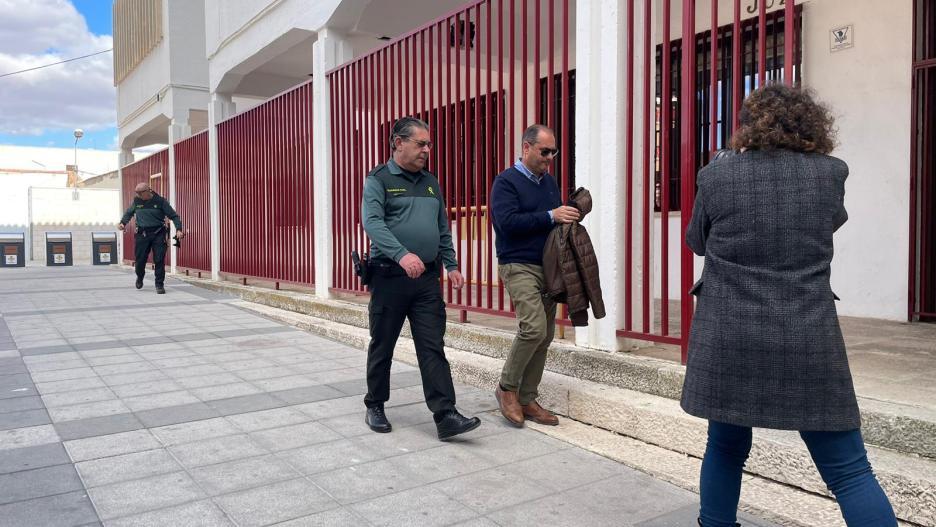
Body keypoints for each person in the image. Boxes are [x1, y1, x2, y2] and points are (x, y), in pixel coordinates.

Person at [681, 84, 896, 527]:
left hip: (729, 334)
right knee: (850, 470)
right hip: (806, 332)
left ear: (746, 126)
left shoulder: (716, 175)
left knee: (724, 449)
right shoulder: (831, 173)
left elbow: (696, 242)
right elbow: (830, 224)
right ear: (811, 124)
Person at [360, 117, 481, 441]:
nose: (428, 149)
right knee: (383, 344)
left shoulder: (431, 182)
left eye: (429, 144)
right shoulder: (379, 180)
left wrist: (452, 265)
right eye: (421, 143)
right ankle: (375, 404)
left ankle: (445, 416)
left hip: (427, 279)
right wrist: (402, 254)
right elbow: (372, 223)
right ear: (398, 142)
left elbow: (441, 227)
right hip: (390, 277)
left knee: (432, 347)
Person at [489, 124, 580, 427]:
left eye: (553, 151)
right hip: (517, 265)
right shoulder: (506, 182)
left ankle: (527, 398)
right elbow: (506, 223)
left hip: (548, 267)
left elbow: (551, 225)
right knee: (533, 328)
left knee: (546, 335)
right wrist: (550, 216)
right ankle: (506, 388)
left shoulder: (549, 183)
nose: (550, 157)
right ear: (526, 148)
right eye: (544, 151)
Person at [118, 183, 184, 295]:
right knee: (140, 260)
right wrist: (122, 223)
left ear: (148, 191)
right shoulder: (137, 201)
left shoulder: (160, 201)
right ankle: (140, 277)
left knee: (159, 259)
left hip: (158, 234)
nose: (138, 195)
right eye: (137, 193)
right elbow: (129, 213)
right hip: (142, 234)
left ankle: (159, 284)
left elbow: (174, 216)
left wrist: (179, 229)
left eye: (140, 193)